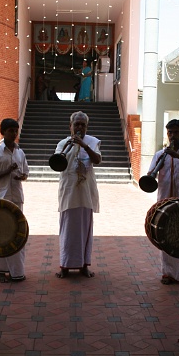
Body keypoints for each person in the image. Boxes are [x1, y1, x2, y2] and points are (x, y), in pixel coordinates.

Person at [147, 119, 179, 285]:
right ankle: (168, 273)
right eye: (170, 132)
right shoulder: (160, 154)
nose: (172, 136)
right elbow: (151, 175)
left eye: (176, 132)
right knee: (165, 235)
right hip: (165, 201)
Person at [55, 111, 101, 278]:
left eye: (83, 125)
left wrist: (84, 145)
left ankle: (83, 266)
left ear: (87, 127)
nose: (80, 127)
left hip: (86, 193)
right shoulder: (62, 144)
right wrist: (72, 146)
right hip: (69, 192)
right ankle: (65, 266)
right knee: (67, 229)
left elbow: (97, 160)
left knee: (85, 230)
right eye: (77, 124)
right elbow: (58, 164)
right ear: (71, 127)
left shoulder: (93, 142)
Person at [0, 118, 29, 283]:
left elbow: (25, 174)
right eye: (10, 131)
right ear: (3, 132)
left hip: (16, 198)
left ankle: (17, 271)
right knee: (1, 235)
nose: (14, 134)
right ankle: (1, 271)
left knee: (17, 233)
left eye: (16, 131)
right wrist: (7, 171)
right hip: (1, 199)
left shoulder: (20, 152)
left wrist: (21, 176)